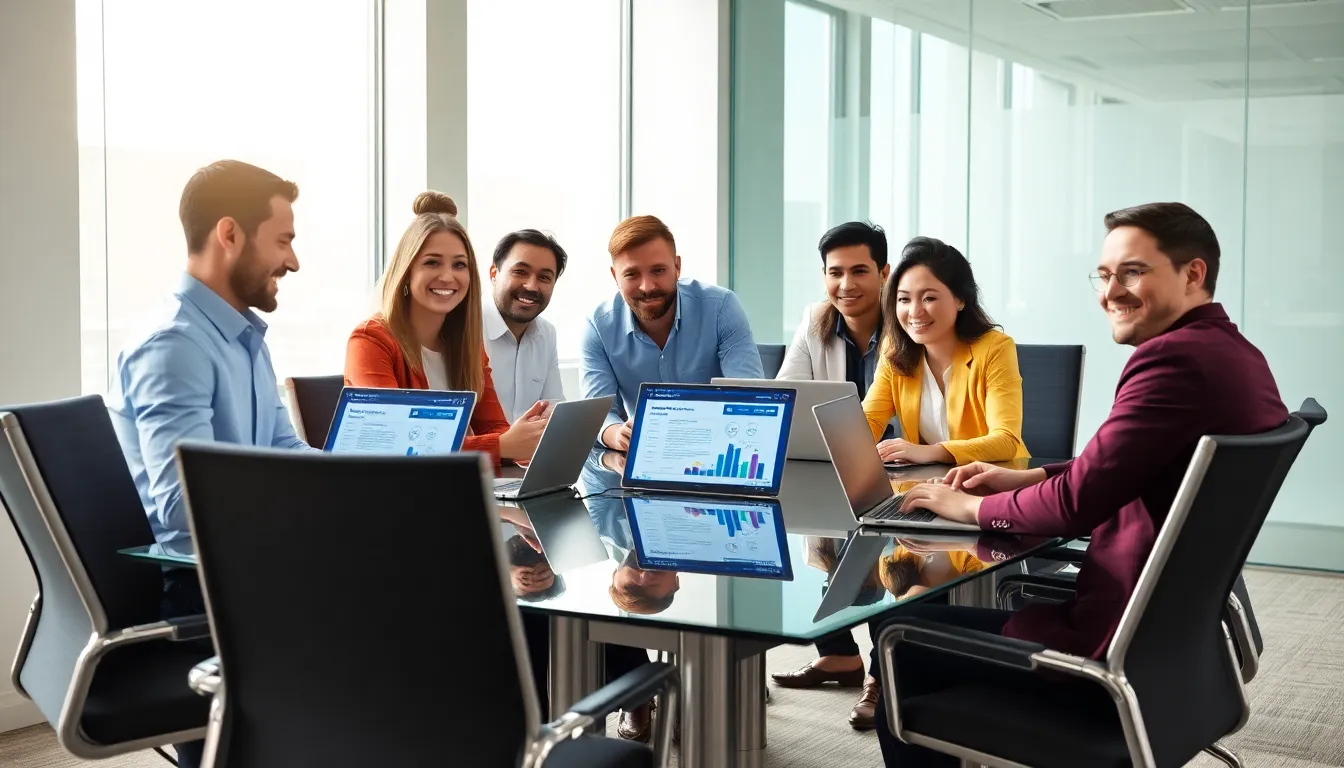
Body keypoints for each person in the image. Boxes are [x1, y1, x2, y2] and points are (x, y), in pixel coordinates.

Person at [870, 202, 1288, 767]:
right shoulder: (1235, 356)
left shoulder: (1171, 362)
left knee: (900, 629)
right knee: (919, 616)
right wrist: (1030, 475)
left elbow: (1075, 505)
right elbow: (1117, 467)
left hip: (1108, 653)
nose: (1111, 291)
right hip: (1174, 647)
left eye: (1132, 272)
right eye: (1104, 274)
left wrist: (970, 507)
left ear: (1193, 273)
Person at [106, 159, 311, 768]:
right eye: (283, 242)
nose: (293, 262)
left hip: (249, 569)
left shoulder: (244, 337)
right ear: (230, 234)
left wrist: (365, 487)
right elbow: (184, 504)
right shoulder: (174, 344)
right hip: (200, 592)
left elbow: (285, 451)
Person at [771, 221, 898, 729]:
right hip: (834, 467)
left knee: (894, 559)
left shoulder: (909, 318)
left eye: (860, 271)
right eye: (835, 272)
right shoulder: (816, 320)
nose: (846, 284)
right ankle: (841, 654)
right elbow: (787, 394)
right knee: (811, 521)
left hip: (903, 469)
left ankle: (882, 675)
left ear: (884, 273)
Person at [344, 192, 548, 464]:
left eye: (459, 265)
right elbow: (395, 445)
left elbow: (493, 428)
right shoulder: (370, 340)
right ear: (406, 271)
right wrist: (502, 446)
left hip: (449, 488)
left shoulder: (466, 344)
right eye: (432, 262)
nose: (448, 276)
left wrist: (520, 441)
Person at [581, 215, 764, 451]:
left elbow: (749, 396)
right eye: (632, 274)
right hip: (644, 452)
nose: (647, 287)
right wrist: (617, 434)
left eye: (658, 270)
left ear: (677, 267)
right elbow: (597, 413)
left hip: (718, 446)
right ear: (615, 276)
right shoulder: (598, 326)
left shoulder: (721, 307)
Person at [863, 236, 1029, 466]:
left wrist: (929, 452)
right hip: (925, 486)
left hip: (988, 485)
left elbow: (1006, 441)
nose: (914, 312)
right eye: (904, 299)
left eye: (929, 298)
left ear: (960, 299)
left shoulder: (995, 348)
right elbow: (867, 422)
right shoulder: (895, 351)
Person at [483, 230, 567, 422]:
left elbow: (553, 408)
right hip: (477, 451)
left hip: (531, 452)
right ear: (494, 274)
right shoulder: (464, 328)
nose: (531, 286)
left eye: (544, 277)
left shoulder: (547, 333)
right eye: (520, 272)